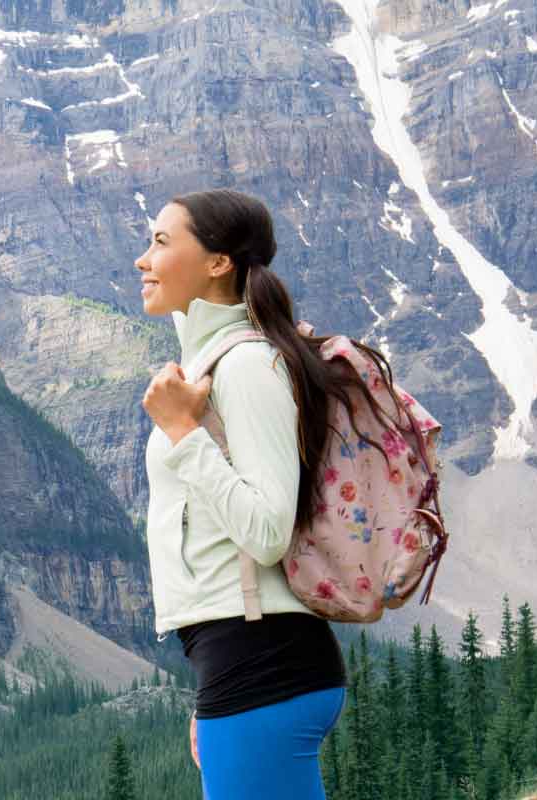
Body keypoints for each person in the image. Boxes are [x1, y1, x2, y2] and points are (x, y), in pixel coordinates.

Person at [134, 188, 351, 799]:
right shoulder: (212, 363)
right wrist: (211, 690)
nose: (142, 261)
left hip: (263, 662)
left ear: (217, 262)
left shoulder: (249, 365)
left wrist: (182, 433)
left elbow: (266, 529)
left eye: (160, 242)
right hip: (240, 662)